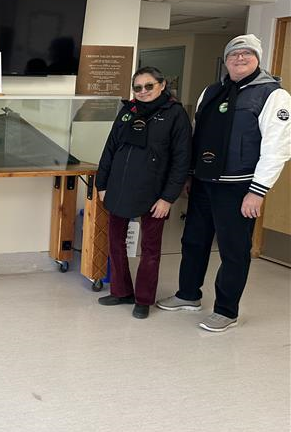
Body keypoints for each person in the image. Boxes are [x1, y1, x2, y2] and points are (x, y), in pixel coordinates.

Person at [157, 34, 291, 331]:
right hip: (204, 182)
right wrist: (191, 175)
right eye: (234, 54)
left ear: (258, 58)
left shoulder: (273, 95)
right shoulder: (212, 91)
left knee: (233, 249)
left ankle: (226, 311)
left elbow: (277, 148)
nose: (239, 58)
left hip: (240, 187)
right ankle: (188, 294)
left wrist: (258, 192)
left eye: (247, 53)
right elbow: (197, 134)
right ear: (226, 59)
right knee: (193, 241)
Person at [95, 67, 192, 318]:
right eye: (137, 87)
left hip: (154, 194)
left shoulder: (175, 114)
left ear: (162, 85)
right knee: (115, 242)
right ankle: (121, 291)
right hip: (119, 188)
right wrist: (102, 185)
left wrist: (168, 198)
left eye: (149, 86)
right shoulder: (128, 111)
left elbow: (181, 161)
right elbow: (110, 149)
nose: (143, 92)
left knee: (150, 249)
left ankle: (143, 299)